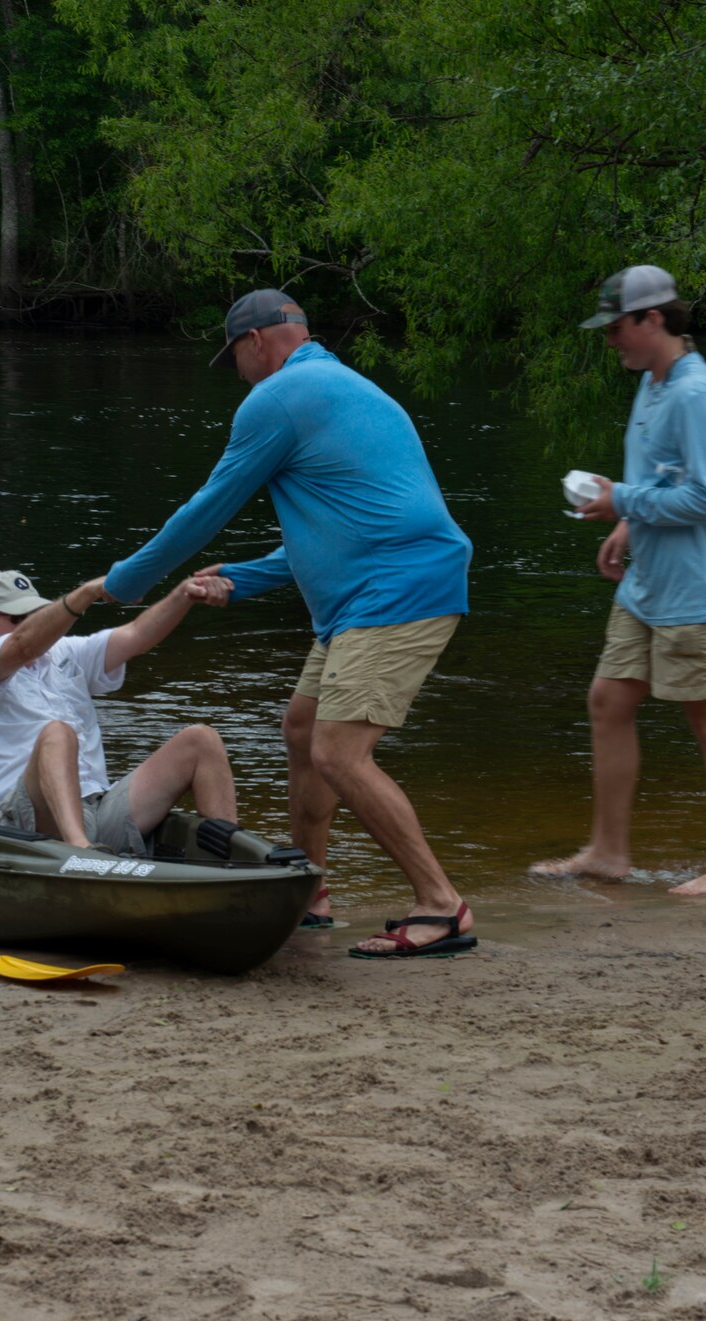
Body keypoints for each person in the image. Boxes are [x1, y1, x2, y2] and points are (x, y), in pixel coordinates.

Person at [101, 290, 477, 959]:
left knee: (338, 751)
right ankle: (309, 889)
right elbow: (342, 528)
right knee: (303, 727)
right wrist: (239, 580)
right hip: (376, 588)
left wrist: (127, 581)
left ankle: (442, 906)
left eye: (235, 360)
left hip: (397, 589)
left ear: (257, 342)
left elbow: (207, 508)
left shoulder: (277, 398)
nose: (237, 376)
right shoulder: (342, 387)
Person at [531, 264, 706, 895]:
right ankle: (608, 853)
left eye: (617, 328)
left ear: (654, 319)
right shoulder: (655, 382)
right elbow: (667, 478)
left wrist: (624, 502)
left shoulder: (694, 392)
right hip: (647, 583)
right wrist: (626, 524)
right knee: (608, 700)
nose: (610, 340)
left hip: (691, 589)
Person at [0, 568, 237, 853]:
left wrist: (184, 594)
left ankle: (233, 853)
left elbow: (136, 635)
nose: (33, 622)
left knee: (200, 740)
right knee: (57, 732)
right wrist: (89, 592)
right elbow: (23, 645)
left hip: (94, 808)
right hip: (13, 825)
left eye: (37, 614)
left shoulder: (62, 652)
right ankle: (80, 851)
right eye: (20, 617)